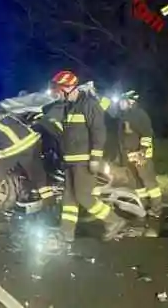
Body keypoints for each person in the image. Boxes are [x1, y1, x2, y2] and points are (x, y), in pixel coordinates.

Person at [51, 70, 128, 243]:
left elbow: (98, 132)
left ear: (69, 88)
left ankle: (114, 220)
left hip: (84, 160)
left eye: (59, 89)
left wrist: (95, 158)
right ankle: (66, 233)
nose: (57, 93)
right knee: (69, 199)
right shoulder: (69, 107)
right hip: (70, 161)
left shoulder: (89, 104)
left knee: (84, 196)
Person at [0, 111, 50, 209]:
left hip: (14, 148)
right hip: (32, 141)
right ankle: (48, 199)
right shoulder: (3, 114)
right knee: (37, 172)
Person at [115, 90, 163, 234]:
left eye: (123, 101)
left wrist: (142, 152)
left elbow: (147, 135)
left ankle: (157, 209)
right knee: (137, 183)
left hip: (140, 156)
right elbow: (123, 138)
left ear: (131, 102)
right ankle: (144, 205)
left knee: (149, 182)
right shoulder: (124, 116)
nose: (120, 104)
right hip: (129, 156)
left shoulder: (140, 115)